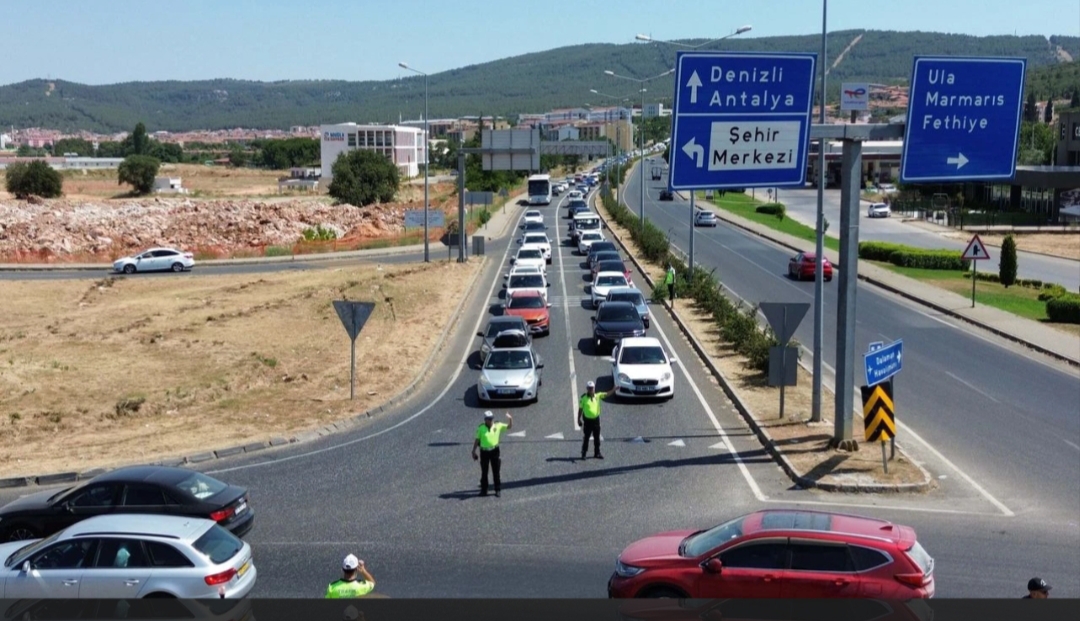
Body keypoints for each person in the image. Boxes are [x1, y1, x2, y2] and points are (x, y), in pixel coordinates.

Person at [472, 410, 512, 496]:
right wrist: (473, 451)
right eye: (488, 419)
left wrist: (510, 419)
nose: (490, 421)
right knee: (484, 471)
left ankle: (497, 489)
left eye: (491, 419)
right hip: (484, 451)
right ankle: (484, 490)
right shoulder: (481, 428)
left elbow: (509, 427)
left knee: (496, 470)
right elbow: (477, 440)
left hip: (494, 450)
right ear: (485, 420)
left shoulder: (498, 425)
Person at [578, 380, 609, 459]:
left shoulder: (597, 396)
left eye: (592, 388)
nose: (591, 390)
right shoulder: (583, 398)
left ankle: (597, 452)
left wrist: (614, 389)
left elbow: (607, 394)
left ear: (594, 388)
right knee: (587, 437)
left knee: (597, 437)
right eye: (589, 388)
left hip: (596, 420)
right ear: (587, 389)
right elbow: (580, 409)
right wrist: (578, 419)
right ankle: (584, 453)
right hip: (587, 421)